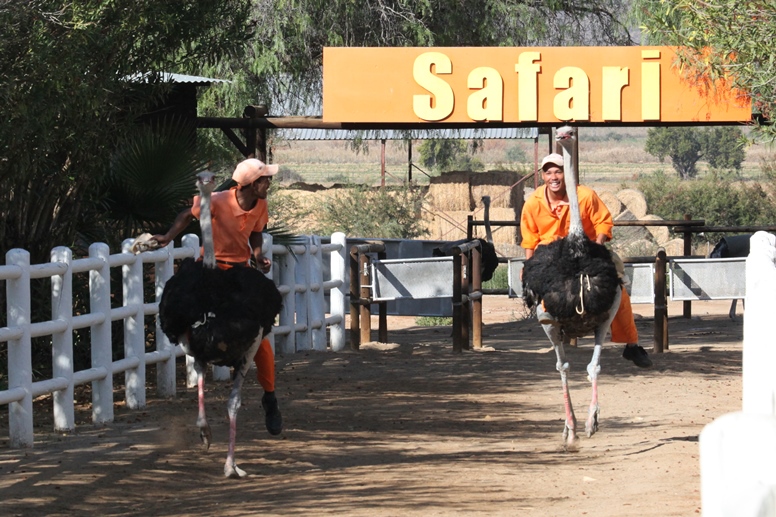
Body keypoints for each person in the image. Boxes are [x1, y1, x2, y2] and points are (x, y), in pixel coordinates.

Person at [152, 158, 284, 433]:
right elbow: (188, 214)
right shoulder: (218, 200)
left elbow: (256, 234)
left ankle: (270, 397)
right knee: (180, 307)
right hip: (210, 270)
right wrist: (167, 236)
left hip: (240, 273)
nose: (269, 183)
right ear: (250, 183)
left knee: (261, 334)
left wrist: (258, 256)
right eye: (265, 179)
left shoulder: (260, 205)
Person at [520, 153, 653, 368]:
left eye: (558, 171)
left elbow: (603, 221)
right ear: (543, 176)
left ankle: (631, 344)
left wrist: (598, 248)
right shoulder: (533, 202)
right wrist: (527, 267)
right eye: (549, 172)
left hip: (585, 248)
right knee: (533, 281)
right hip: (549, 252)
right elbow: (529, 236)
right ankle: (546, 312)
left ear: (566, 174)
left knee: (617, 279)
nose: (554, 176)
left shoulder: (584, 195)